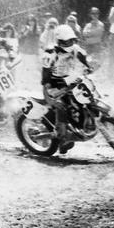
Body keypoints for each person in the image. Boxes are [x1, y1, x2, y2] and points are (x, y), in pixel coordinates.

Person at [40, 24, 92, 154]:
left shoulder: (76, 49)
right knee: (61, 106)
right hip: (54, 86)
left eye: (71, 40)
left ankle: (82, 121)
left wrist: (90, 68)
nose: (70, 43)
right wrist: (50, 97)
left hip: (70, 79)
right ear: (59, 41)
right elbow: (45, 80)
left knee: (84, 96)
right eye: (66, 41)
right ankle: (62, 137)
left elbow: (86, 61)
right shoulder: (50, 54)